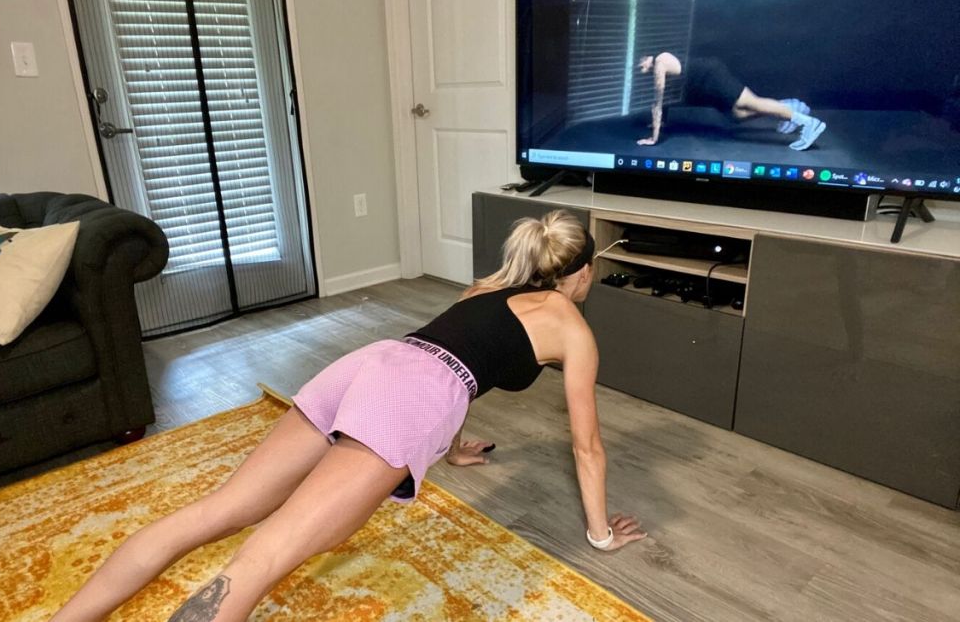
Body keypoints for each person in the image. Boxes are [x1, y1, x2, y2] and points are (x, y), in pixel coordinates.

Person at [51, 210, 646, 622]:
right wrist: (598, 535)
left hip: (372, 363)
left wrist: (454, 446)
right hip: (406, 397)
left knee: (216, 512)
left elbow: (456, 358)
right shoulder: (572, 328)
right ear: (584, 271)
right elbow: (586, 445)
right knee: (260, 560)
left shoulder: (486, 288)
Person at [637, 52, 827, 151]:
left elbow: (658, 101)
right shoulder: (661, 67)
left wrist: (654, 137)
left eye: (641, 65)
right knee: (737, 115)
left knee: (752, 102)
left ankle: (809, 123)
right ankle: (788, 107)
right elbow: (667, 98)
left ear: (647, 58)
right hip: (707, 86)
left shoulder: (660, 62)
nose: (640, 70)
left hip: (712, 76)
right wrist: (661, 122)